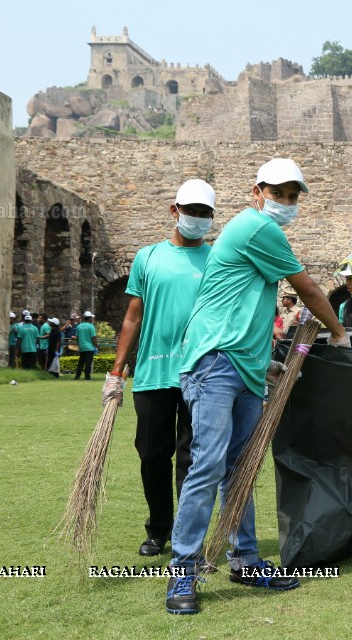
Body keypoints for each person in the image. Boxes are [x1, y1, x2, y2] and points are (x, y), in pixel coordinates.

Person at [166, 157, 350, 615]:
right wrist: (340, 332)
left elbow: (244, 305)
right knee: (208, 466)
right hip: (214, 361)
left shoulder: (257, 233)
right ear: (257, 192)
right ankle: (182, 573)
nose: (285, 203)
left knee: (241, 468)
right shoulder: (257, 228)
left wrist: (262, 363)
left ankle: (245, 559)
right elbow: (307, 289)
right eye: (278, 193)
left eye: (292, 196)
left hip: (241, 366)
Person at [102, 179, 217, 559]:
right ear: (175, 211)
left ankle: (188, 537)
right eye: (192, 211)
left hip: (201, 373)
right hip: (153, 372)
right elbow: (133, 317)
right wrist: (116, 372)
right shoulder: (148, 257)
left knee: (192, 458)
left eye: (205, 213)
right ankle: (158, 530)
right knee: (152, 454)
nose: (198, 218)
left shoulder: (217, 259)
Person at [74, 312, 97, 380]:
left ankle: (77, 376)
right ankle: (87, 376)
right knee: (88, 363)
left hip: (82, 347)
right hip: (89, 347)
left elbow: (77, 337)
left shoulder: (79, 326)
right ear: (89, 318)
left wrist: (79, 345)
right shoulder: (91, 326)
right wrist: (96, 346)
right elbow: (93, 338)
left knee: (81, 362)